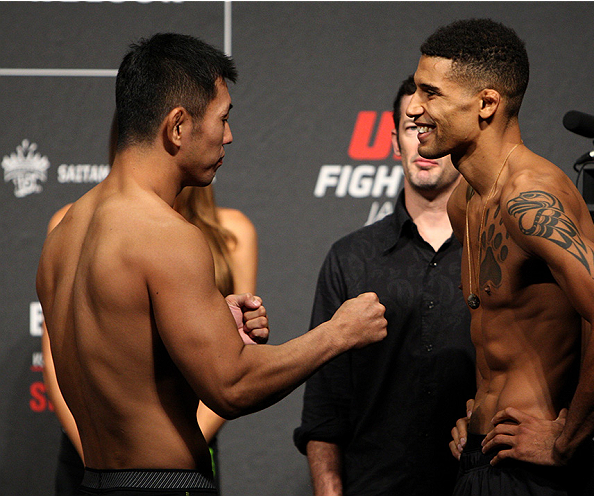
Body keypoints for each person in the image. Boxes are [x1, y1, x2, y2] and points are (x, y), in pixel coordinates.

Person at [36, 32, 387, 496]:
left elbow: (125, 358)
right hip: (162, 485)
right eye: (223, 118)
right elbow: (232, 386)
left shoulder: (64, 235)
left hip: (94, 482)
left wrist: (213, 330)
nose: (229, 135)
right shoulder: (165, 236)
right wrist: (339, 332)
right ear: (178, 126)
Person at [406, 19, 594, 495]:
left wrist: (566, 439)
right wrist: (478, 412)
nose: (414, 107)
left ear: (486, 104)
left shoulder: (529, 198)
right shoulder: (466, 202)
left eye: (430, 93)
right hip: (483, 459)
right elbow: (509, 330)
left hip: (538, 475)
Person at [293, 75, 477, 496]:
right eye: (414, 129)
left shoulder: (496, 252)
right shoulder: (350, 258)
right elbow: (324, 408)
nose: (423, 143)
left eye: (435, 129)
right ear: (396, 140)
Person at [42, 182, 258, 495]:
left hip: (186, 450)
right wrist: (97, 452)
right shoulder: (71, 223)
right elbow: (57, 356)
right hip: (91, 452)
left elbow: (236, 357)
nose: (225, 138)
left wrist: (182, 444)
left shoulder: (233, 231)